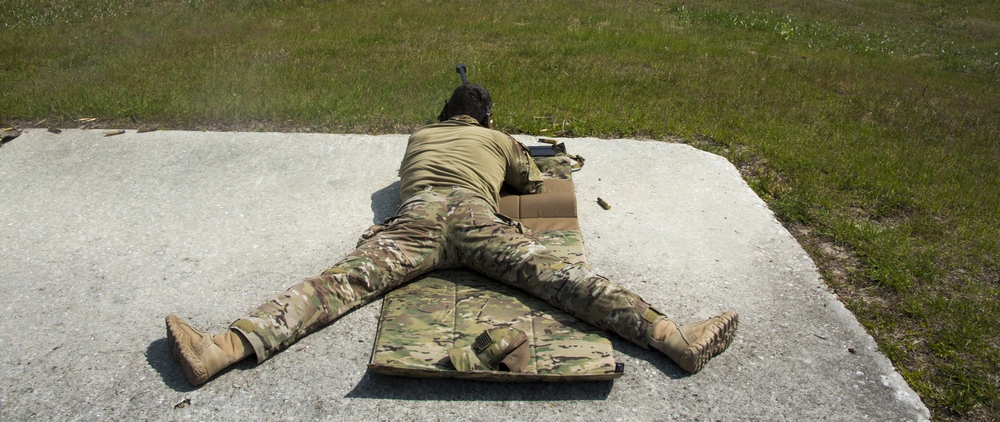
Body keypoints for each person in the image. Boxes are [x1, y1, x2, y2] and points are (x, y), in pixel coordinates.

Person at [166, 83, 738, 386]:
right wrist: (511, 151)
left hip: (415, 220)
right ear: (485, 119)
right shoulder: (498, 139)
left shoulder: (419, 136)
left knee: (336, 284)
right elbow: (531, 183)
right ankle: (673, 338)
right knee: (565, 279)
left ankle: (221, 351)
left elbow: (408, 178)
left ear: (443, 114)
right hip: (472, 217)